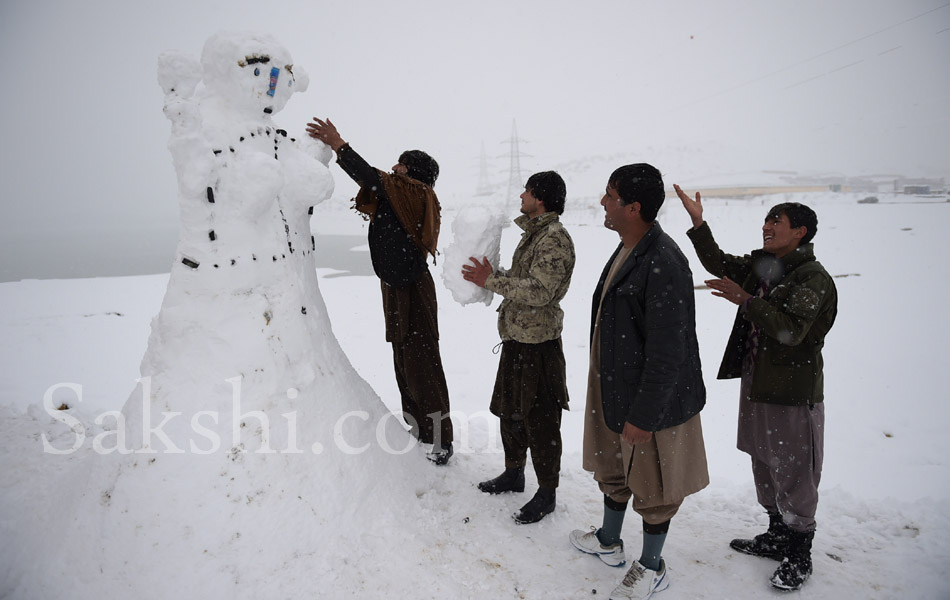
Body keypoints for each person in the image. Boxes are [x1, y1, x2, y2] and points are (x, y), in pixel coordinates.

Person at [675, 185, 837, 591]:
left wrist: (746, 301)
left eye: (776, 221)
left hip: (791, 393)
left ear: (800, 232)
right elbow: (719, 262)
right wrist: (698, 222)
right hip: (758, 384)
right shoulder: (768, 265)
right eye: (766, 219)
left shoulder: (812, 278)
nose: (767, 226)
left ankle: (800, 552)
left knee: (795, 470)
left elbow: (789, 331)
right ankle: (777, 532)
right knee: (763, 459)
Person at [570, 164, 708, 600]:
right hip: (617, 388)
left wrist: (645, 416)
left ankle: (651, 566)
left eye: (609, 196)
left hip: (653, 403)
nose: (602, 202)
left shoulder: (663, 260)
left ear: (633, 207)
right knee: (613, 468)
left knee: (655, 485)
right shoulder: (629, 248)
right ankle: (609, 541)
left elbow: (670, 351)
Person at [306, 117, 454, 465]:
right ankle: (419, 429)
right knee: (404, 358)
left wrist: (338, 144)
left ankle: (440, 441)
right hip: (398, 286)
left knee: (422, 362)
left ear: (412, 170)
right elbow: (379, 185)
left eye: (401, 163)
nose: (394, 167)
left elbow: (370, 177)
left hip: (413, 288)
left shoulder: (416, 193)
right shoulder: (401, 196)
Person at [461, 171, 576, 524]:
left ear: (540, 198)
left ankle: (547, 492)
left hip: (539, 346)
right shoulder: (534, 234)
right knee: (510, 411)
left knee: (541, 421)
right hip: (517, 339)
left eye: (526, 191)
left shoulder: (554, 238)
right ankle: (514, 473)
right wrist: (495, 274)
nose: (521, 196)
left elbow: (541, 292)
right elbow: (525, 279)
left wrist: (491, 281)